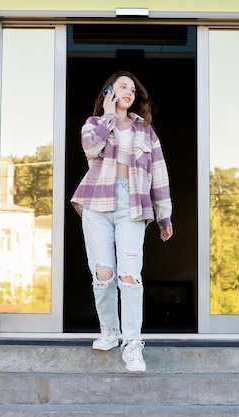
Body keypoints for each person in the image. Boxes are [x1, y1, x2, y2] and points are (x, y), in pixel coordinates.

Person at [71, 71, 173, 372]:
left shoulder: (146, 132)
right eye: (121, 87)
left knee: (129, 275)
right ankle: (109, 332)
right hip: (96, 204)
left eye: (132, 88)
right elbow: (91, 149)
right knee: (103, 274)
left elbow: (159, 173)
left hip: (132, 206)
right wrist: (107, 117)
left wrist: (164, 214)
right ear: (109, 93)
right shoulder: (93, 125)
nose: (128, 91)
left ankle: (132, 344)